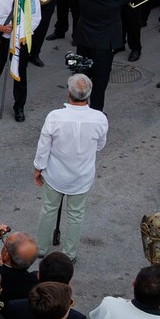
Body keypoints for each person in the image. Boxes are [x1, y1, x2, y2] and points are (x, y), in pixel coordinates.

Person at [32, 74, 106, 262]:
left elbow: (43, 147)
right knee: (76, 214)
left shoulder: (55, 117)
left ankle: (41, 248)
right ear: (88, 95)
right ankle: (70, 253)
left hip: (56, 175)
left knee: (49, 209)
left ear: (69, 94)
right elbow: (100, 145)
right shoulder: (99, 119)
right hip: (81, 177)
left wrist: (38, 169)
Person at [73, 0, 125, 111]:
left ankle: (79, 110)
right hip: (104, 46)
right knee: (99, 83)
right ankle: (95, 113)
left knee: (82, 79)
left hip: (84, 41)